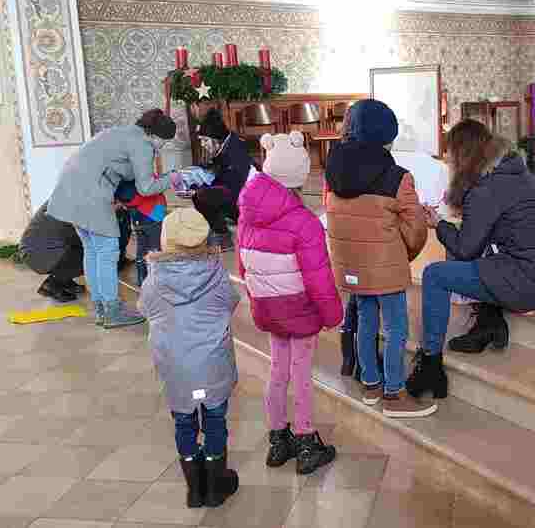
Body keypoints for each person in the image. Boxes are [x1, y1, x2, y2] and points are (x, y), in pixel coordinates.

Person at [407, 120, 535, 399]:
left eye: (449, 152)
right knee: (479, 248)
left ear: (463, 154)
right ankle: (489, 322)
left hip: (534, 281)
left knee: (435, 274)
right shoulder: (514, 171)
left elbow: (465, 249)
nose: (446, 158)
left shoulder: (486, 189)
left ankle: (431, 365)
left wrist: (438, 224)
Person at [238, 131, 342, 475]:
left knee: (277, 371)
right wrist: (332, 315)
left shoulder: (247, 214)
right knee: (301, 375)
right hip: (299, 310)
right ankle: (306, 441)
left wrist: (259, 298)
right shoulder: (305, 222)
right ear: (301, 175)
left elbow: (243, 266)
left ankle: (278, 441)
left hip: (268, 306)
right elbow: (318, 278)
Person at [325, 100, 433, 418]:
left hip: (350, 266)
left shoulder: (333, 169)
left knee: (366, 320)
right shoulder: (397, 177)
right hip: (385, 267)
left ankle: (371, 385)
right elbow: (416, 230)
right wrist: (400, 256)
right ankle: (394, 393)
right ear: (387, 136)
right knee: (396, 327)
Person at [140, 207, 240, 508]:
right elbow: (231, 302)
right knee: (215, 420)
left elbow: (146, 309)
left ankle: (194, 490)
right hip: (212, 365)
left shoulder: (153, 280)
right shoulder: (216, 274)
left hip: (175, 368)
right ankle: (215, 487)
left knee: (183, 423)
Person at [47, 109, 177, 328]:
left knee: (93, 249)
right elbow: (146, 188)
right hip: (91, 194)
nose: (162, 146)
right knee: (107, 251)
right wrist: (174, 178)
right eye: (164, 141)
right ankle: (112, 310)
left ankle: (101, 308)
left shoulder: (120, 132)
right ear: (155, 135)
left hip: (69, 190)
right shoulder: (143, 145)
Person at [193, 108, 259, 249]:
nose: (202, 144)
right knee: (198, 188)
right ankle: (221, 229)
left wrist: (203, 186)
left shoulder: (235, 151)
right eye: (201, 140)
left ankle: (222, 235)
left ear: (216, 139)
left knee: (201, 194)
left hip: (250, 205)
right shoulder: (228, 143)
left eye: (205, 140)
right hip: (239, 195)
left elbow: (233, 188)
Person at [19, 201, 85, 302]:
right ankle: (52, 285)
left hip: (32, 249)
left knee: (80, 248)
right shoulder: (76, 203)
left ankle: (64, 280)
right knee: (91, 255)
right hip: (37, 253)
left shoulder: (65, 196)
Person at [114, 179, 167, 286]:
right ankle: (155, 282)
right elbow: (155, 186)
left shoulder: (124, 179)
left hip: (136, 213)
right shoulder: (142, 174)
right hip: (153, 211)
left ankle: (142, 279)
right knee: (155, 248)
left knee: (141, 247)